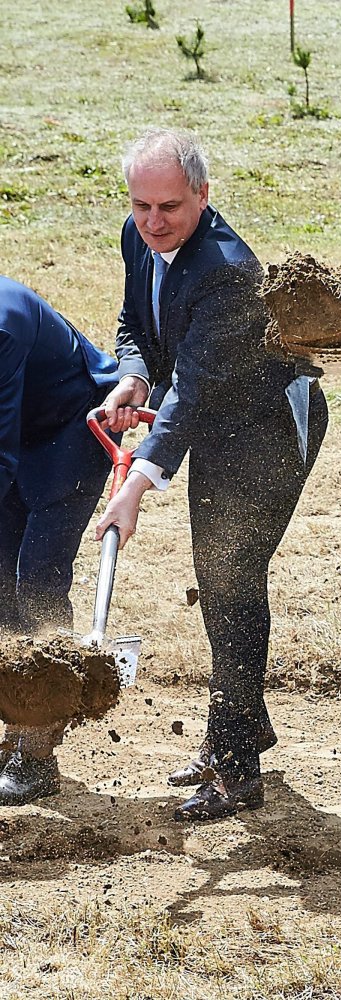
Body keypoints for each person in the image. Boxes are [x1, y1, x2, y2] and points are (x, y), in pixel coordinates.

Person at [94, 128, 327, 822]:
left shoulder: (227, 270)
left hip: (267, 430)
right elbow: (135, 321)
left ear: (203, 192)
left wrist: (135, 485)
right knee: (220, 574)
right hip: (213, 420)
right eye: (141, 205)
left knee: (231, 580)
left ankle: (236, 770)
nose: (153, 222)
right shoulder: (141, 236)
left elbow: (192, 390)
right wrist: (133, 375)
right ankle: (243, 726)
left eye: (170, 206)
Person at [0, 277, 120, 806]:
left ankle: (38, 750)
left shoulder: (2, 323)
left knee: (37, 580)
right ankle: (14, 716)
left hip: (72, 426)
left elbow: (0, 447)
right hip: (19, 429)